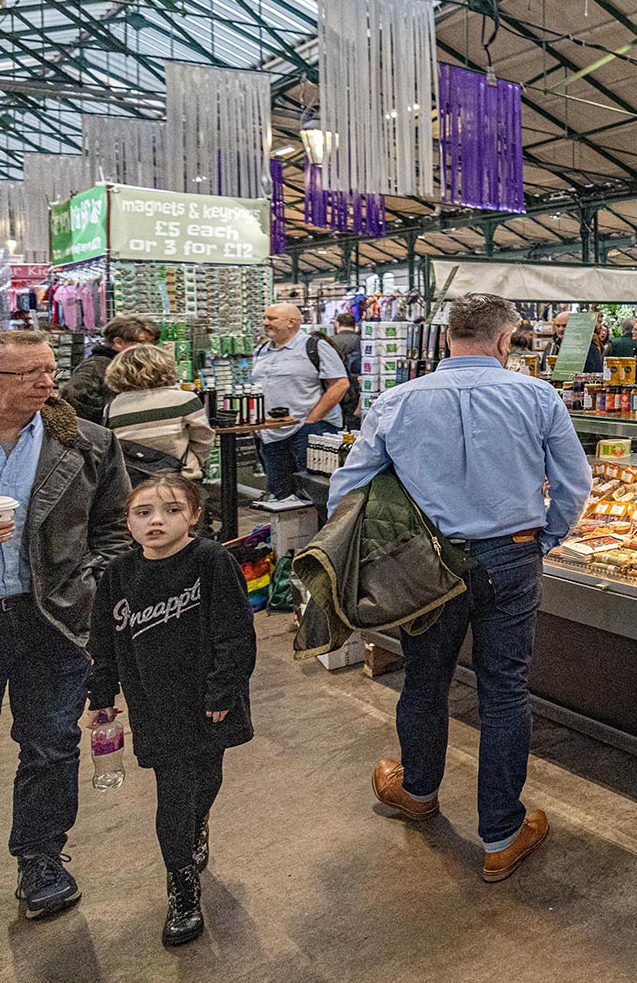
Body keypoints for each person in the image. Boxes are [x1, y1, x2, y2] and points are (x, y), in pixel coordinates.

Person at [331, 293, 592, 884]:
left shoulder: (397, 400)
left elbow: (349, 490)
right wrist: (543, 540)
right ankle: (501, 834)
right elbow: (574, 484)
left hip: (427, 565)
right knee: (504, 691)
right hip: (513, 557)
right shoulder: (537, 396)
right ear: (504, 341)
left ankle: (419, 791)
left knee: (425, 679)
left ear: (450, 337)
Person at [0, 329, 131, 919]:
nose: (49, 383)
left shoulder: (88, 444)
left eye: (49, 370)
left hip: (57, 621)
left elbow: (117, 531)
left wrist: (83, 584)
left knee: (50, 744)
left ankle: (41, 858)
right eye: (29, 375)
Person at [87, 472, 255, 947]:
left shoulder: (212, 561)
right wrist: (101, 699)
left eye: (172, 510)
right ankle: (182, 888)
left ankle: (198, 825)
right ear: (128, 520)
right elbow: (103, 643)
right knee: (174, 794)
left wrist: (223, 691)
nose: (156, 521)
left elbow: (235, 632)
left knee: (209, 778)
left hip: (210, 703)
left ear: (195, 517)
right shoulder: (118, 574)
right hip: (154, 707)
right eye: (143, 512)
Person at [253, 304, 349, 502]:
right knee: (279, 494)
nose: (265, 323)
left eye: (272, 319)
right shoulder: (261, 350)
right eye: (265, 318)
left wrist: (312, 420)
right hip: (271, 433)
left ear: (292, 323)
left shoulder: (314, 346)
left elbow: (340, 384)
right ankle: (285, 533)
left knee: (314, 491)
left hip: (308, 429)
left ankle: (320, 533)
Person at [104, 345, 212, 479]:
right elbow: (204, 439)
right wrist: (193, 463)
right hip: (180, 477)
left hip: (132, 480)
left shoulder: (113, 407)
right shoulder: (184, 400)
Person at [63, 315, 159, 426]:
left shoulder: (131, 365)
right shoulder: (96, 366)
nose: (149, 349)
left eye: (152, 343)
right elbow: (73, 396)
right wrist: (107, 420)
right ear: (118, 342)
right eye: (142, 342)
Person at [330, 313, 364, 429]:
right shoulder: (362, 340)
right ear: (354, 325)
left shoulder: (329, 342)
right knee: (353, 422)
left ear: (338, 324)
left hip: (334, 385)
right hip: (356, 386)